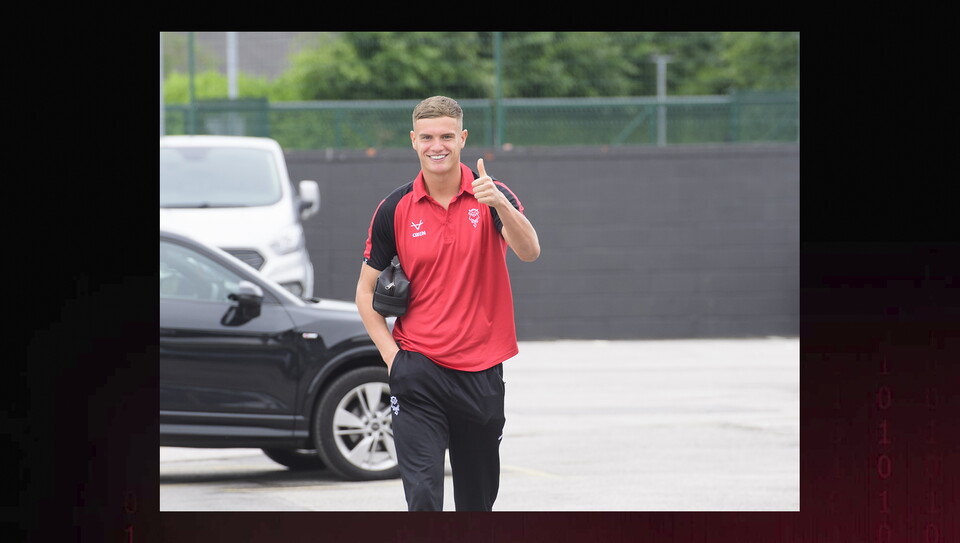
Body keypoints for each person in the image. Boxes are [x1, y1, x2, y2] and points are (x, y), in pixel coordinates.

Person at [355, 95, 540, 511]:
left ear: (463, 139)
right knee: (422, 496)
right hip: (418, 370)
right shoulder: (394, 207)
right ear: (413, 140)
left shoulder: (491, 195)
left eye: (446, 137)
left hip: (481, 371)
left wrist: (500, 204)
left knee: (476, 502)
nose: (436, 146)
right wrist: (393, 359)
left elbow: (530, 251)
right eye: (427, 137)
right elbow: (364, 293)